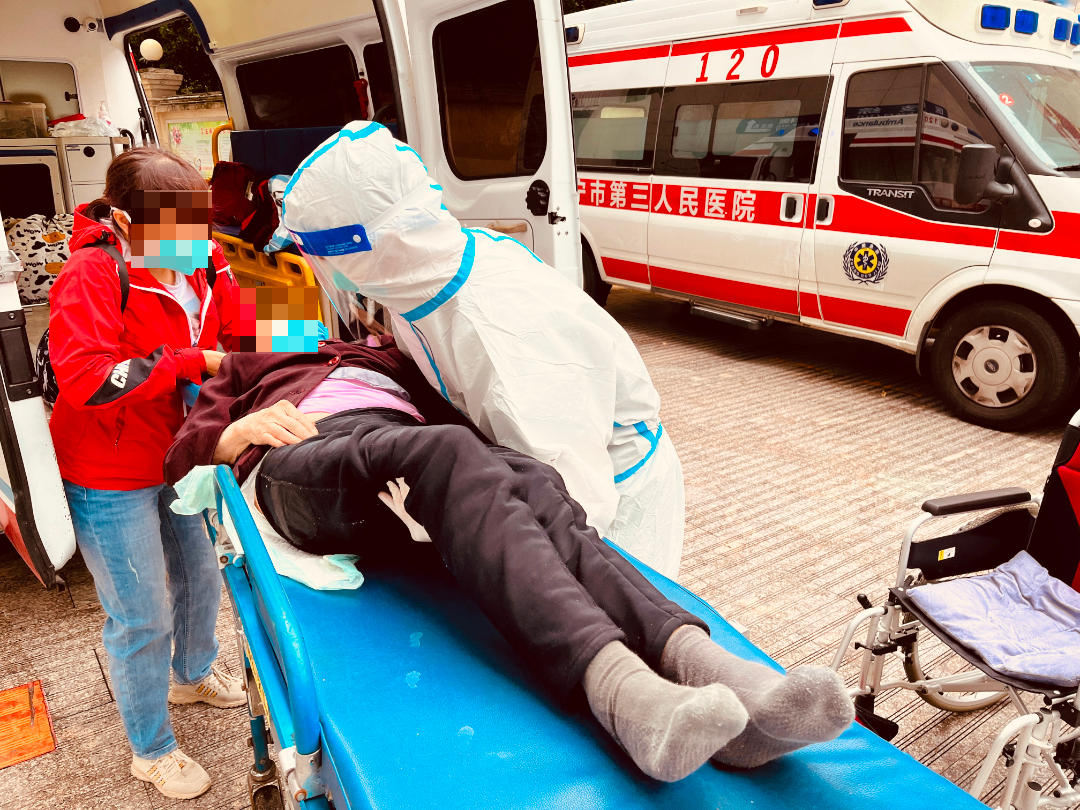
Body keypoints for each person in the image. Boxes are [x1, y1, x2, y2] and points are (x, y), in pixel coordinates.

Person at [164, 338, 854, 783]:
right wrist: (236, 432)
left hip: (408, 451)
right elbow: (181, 453)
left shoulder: (397, 358)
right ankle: (623, 696)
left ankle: (714, 675)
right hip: (304, 461)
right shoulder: (258, 368)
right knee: (447, 450)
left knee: (535, 479)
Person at [280, 121, 685, 578]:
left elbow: (572, 500)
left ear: (370, 246)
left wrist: (452, 523)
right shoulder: (415, 279)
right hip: (547, 462)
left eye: (330, 259)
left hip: (614, 494)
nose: (334, 274)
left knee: (616, 601)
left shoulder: (501, 330)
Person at [48, 146, 240, 800]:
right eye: (174, 230)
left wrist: (305, 346)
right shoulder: (92, 273)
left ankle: (193, 674)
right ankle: (151, 749)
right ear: (126, 223)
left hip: (177, 453)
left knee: (201, 574)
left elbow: (245, 323)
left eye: (198, 225)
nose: (192, 243)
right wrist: (185, 362)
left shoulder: (204, 259)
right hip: (108, 469)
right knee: (141, 613)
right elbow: (85, 379)